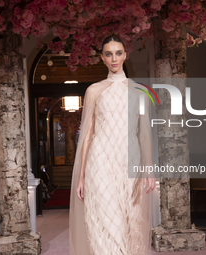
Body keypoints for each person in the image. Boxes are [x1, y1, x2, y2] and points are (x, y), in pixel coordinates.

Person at [69, 35, 156, 255]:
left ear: (125, 55)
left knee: (131, 221)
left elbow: (145, 133)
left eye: (118, 53)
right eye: (108, 54)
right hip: (100, 162)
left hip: (130, 160)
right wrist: (81, 176)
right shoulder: (93, 91)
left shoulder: (140, 91)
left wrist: (150, 168)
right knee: (105, 222)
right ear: (102, 58)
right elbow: (87, 135)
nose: (114, 58)